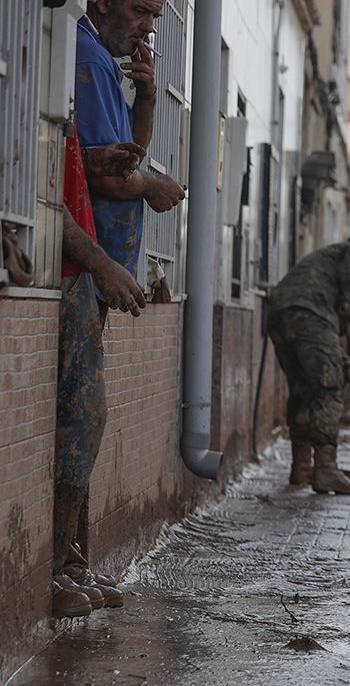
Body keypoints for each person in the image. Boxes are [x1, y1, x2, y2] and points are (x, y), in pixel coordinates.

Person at [52, 131, 148, 619]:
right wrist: (101, 264)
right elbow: (46, 201)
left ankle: (68, 558)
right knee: (81, 419)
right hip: (65, 272)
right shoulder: (72, 60)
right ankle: (52, 566)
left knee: (85, 423)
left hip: (80, 275)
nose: (138, 48)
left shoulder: (79, 86)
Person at [78, 0, 186, 287]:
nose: (149, 28)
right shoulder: (91, 58)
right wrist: (154, 185)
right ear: (106, 0)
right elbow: (106, 175)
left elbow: (132, 153)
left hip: (98, 267)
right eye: (140, 12)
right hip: (86, 265)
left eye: (154, 16)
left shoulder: (104, 59)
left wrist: (146, 97)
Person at [268, 235, 350, 496]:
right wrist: (348, 303)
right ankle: (325, 470)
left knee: (302, 390)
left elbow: (329, 337)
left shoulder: (327, 262)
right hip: (309, 314)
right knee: (329, 388)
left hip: (281, 314)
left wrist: (344, 358)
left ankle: (301, 466)